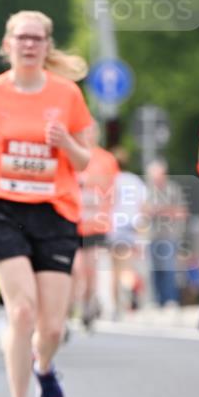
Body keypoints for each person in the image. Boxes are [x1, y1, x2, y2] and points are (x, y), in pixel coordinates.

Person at [0, 9, 92, 397]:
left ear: (47, 45)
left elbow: (85, 160)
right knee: (20, 311)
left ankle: (44, 366)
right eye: (22, 37)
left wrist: (66, 142)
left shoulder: (67, 94)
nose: (30, 45)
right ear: (8, 44)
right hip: (3, 207)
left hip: (55, 211)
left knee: (52, 327)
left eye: (38, 38)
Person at [73, 123, 118, 329]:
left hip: (95, 223)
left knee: (90, 267)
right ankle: (75, 302)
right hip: (73, 221)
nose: (89, 135)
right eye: (85, 131)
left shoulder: (106, 159)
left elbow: (112, 190)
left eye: (92, 131)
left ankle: (89, 303)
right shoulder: (72, 154)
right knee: (76, 268)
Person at [107, 146, 147, 319]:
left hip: (113, 227)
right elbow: (144, 206)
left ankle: (116, 306)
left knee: (114, 268)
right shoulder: (135, 181)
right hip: (131, 226)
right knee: (127, 265)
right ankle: (130, 288)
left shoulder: (110, 180)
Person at [143, 158, 187, 308]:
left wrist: (162, 211)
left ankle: (170, 299)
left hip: (169, 235)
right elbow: (143, 210)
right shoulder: (148, 191)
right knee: (154, 269)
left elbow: (181, 212)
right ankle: (157, 300)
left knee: (168, 267)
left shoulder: (173, 190)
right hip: (152, 235)